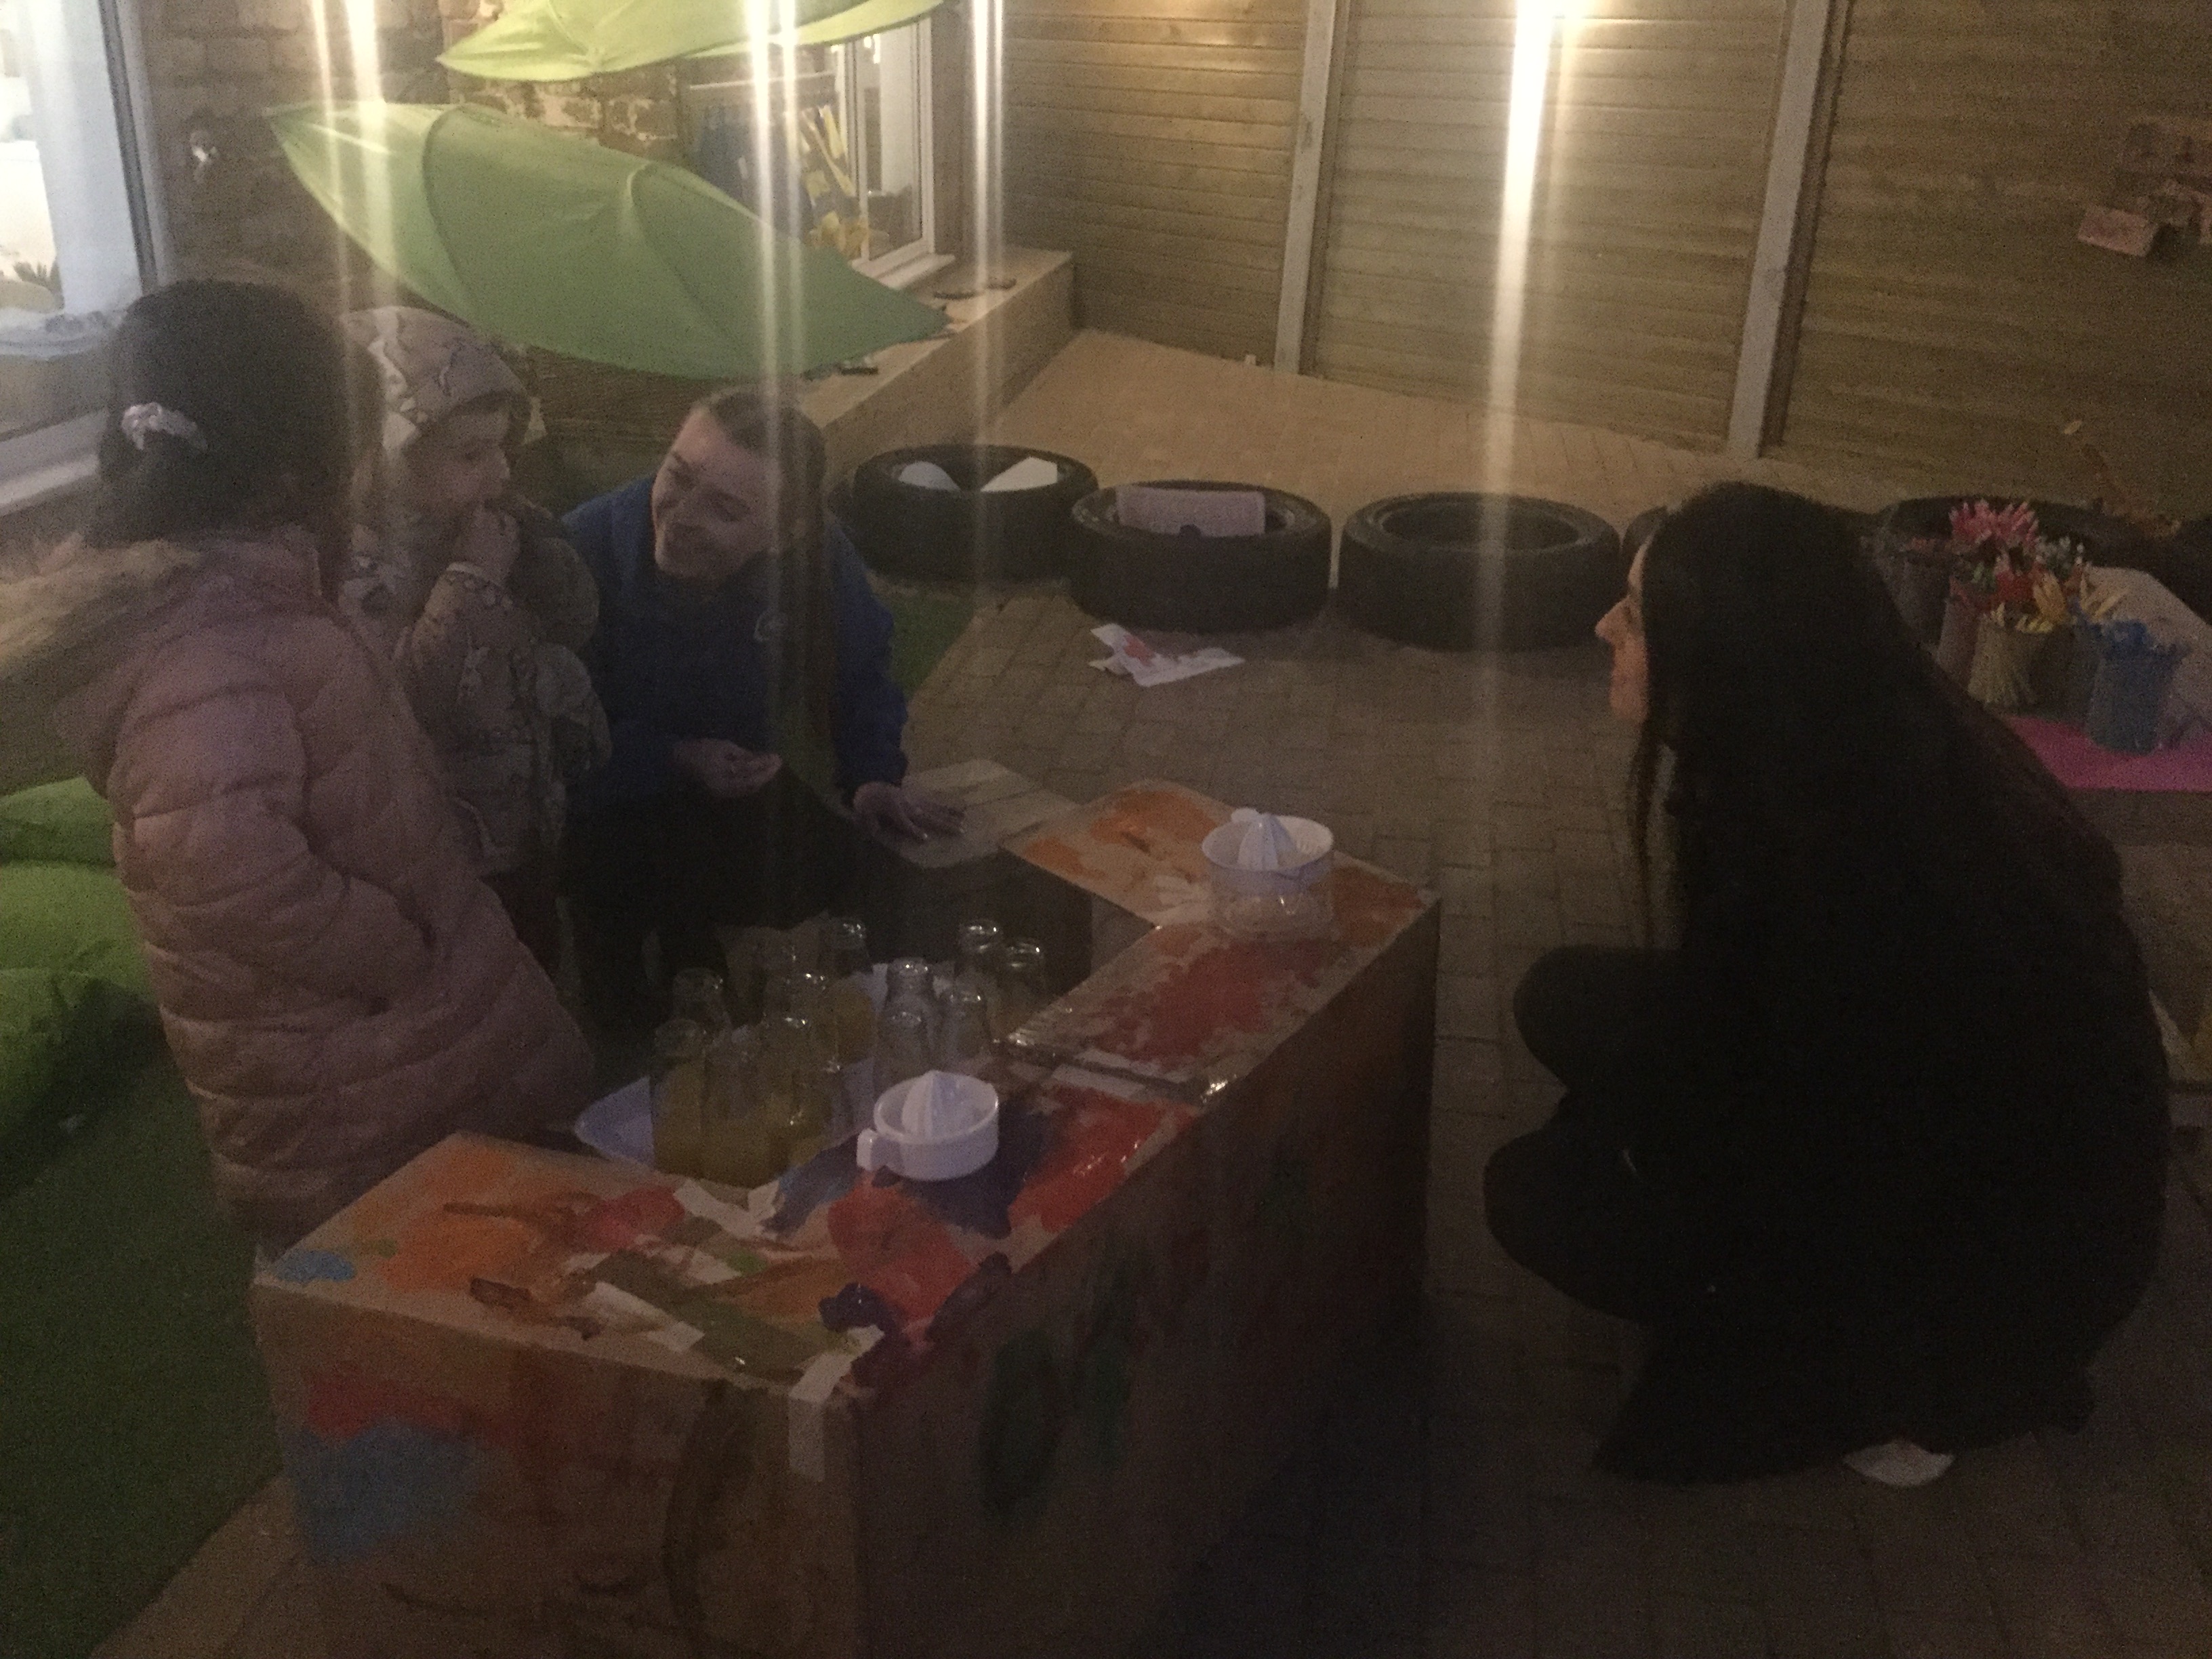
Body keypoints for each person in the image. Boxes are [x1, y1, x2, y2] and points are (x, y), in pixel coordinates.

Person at [1483, 483, 2169, 1486]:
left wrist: (1642, 1149)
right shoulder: (1855, 739)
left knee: (1534, 1191)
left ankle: (1883, 1404)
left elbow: (1824, 1155)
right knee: (1562, 999)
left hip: (1974, 1297)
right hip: (1937, 1166)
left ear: (1724, 657)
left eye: (1634, 615)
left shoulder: (1857, 866)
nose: (1603, 630)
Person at [0, 281, 594, 1248]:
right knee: (410, 1266)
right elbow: (218, 863)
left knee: (486, 1245)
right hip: (352, 1058)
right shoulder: (206, 642)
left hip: (392, 1018)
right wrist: (391, 947)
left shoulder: (246, 582)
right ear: (293, 465)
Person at [561, 388, 960, 1031]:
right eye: (677, 476)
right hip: (603, 797)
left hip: (734, 782)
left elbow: (860, 665)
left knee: (867, 875)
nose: (682, 517)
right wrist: (673, 756)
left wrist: (872, 774)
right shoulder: (579, 552)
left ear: (785, 533)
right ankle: (633, 1027)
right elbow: (553, 737)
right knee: (650, 945)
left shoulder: (817, 554)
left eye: (724, 509)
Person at [338, 306, 609, 971]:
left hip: (524, 813)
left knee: (539, 957)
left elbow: (576, 626)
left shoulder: (488, 523)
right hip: (440, 845)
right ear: (385, 456)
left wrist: (547, 560)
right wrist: (472, 580)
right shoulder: (351, 570)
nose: (502, 473)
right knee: (475, 975)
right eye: (471, 454)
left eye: (502, 448)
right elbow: (403, 701)